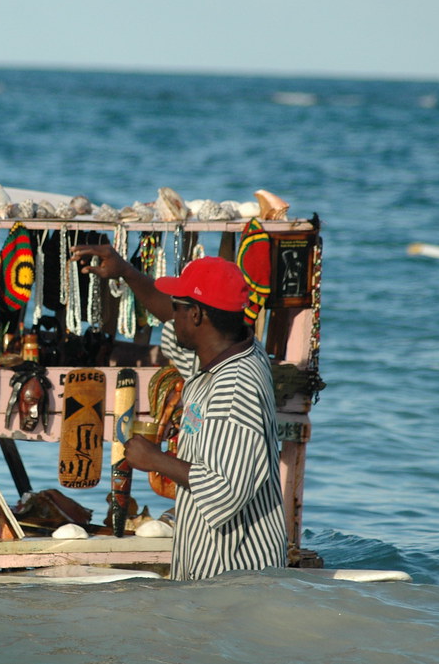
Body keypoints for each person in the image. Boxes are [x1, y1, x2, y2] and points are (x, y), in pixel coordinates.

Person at [71, 244, 286, 580]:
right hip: (210, 568)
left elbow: (226, 490)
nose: (172, 315)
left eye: (179, 307)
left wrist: (153, 459)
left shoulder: (236, 388)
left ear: (198, 315)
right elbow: (168, 317)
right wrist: (127, 272)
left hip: (236, 575)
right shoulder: (224, 351)